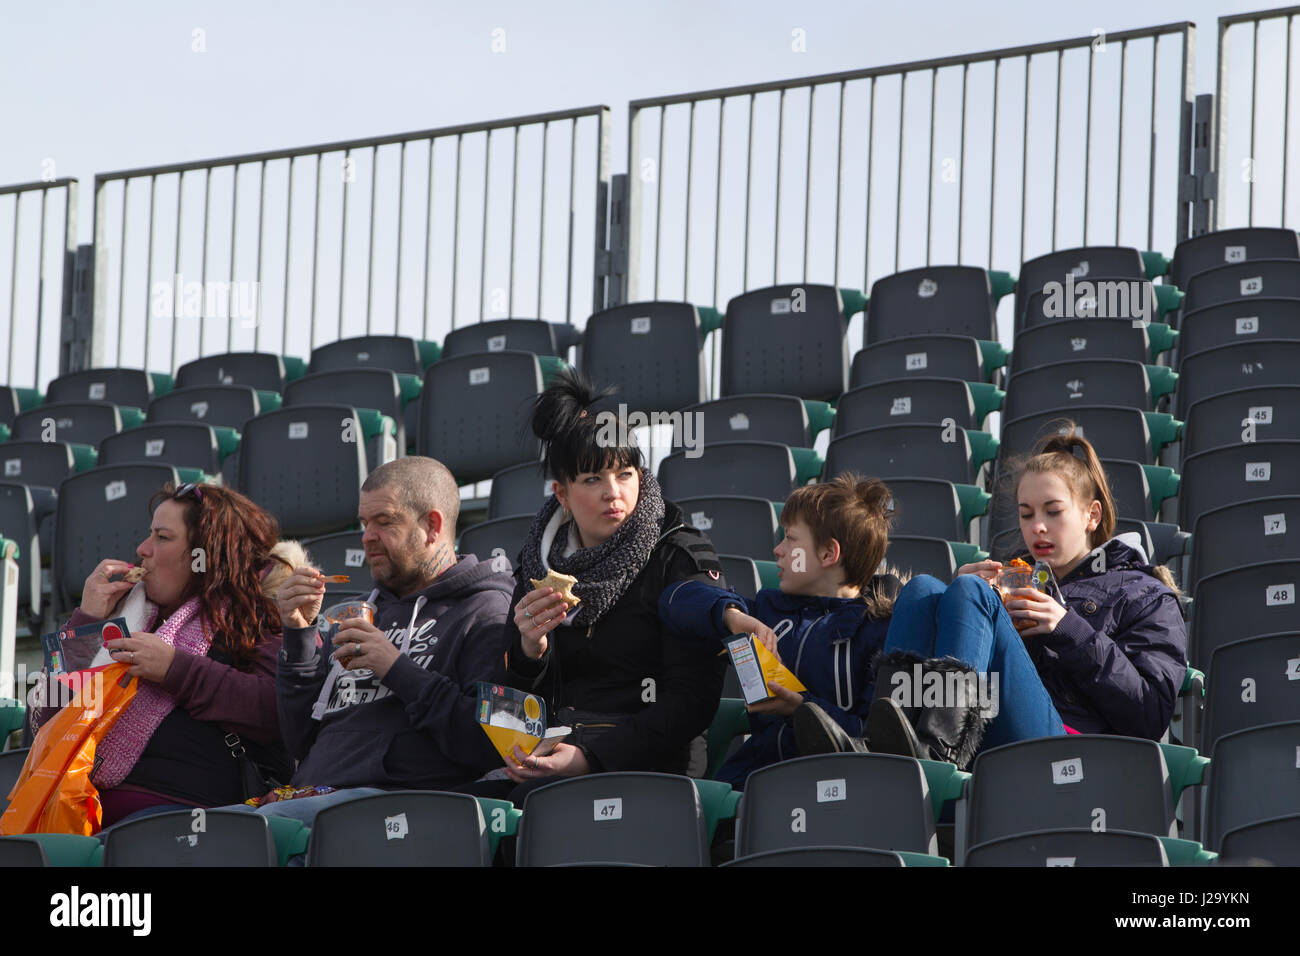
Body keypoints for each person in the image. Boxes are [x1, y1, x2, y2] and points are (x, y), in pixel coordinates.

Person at [796, 427, 1188, 768]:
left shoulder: (1145, 592)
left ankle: (937, 746)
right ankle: (891, 739)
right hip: (988, 733)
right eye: (1026, 513)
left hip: (1070, 750)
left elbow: (1149, 715)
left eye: (1053, 512)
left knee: (969, 591)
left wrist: (1068, 628)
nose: (1037, 528)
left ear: (1092, 516)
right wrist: (953, 604)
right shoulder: (1011, 580)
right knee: (924, 590)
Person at [464, 369, 727, 805]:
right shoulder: (536, 564)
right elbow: (507, 701)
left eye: (625, 474)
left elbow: (692, 701)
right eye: (592, 480)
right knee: (450, 813)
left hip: (651, 764)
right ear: (562, 495)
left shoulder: (676, 554)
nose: (613, 493)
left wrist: (590, 756)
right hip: (549, 758)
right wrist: (530, 654)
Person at [255, 456, 515, 826]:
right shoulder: (359, 611)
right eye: (364, 523)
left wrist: (395, 668)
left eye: (385, 521)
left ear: (432, 525)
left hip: (396, 810)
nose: (366, 536)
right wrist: (299, 634)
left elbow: (489, 742)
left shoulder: (487, 611)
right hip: (309, 797)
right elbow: (299, 741)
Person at [29, 482, 299, 829]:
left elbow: (277, 711)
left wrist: (175, 669)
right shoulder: (126, 618)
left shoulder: (259, 617)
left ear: (207, 554)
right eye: (148, 535)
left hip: (189, 823)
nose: (143, 549)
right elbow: (46, 719)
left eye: (163, 538)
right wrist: (87, 621)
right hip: (80, 813)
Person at [658, 474, 903, 788]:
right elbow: (673, 600)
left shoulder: (878, 630)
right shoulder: (767, 611)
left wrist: (803, 709)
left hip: (838, 788)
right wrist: (730, 615)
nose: (777, 549)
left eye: (790, 538)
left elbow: (874, 735)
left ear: (829, 554)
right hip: (756, 779)